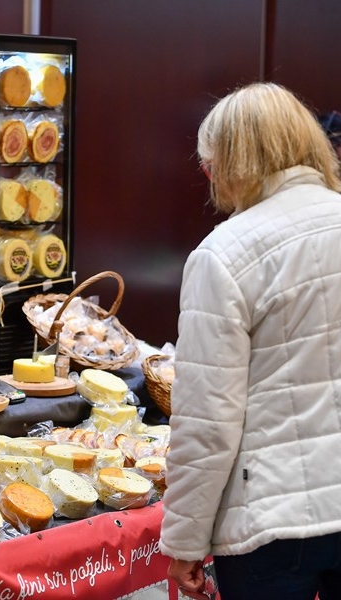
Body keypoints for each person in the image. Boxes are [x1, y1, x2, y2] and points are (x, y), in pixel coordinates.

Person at [159, 82, 341, 600]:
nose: (210, 177)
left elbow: (207, 421)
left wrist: (185, 542)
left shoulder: (224, 254)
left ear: (233, 162)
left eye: (209, 165)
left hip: (271, 522)